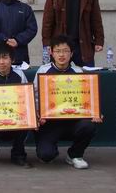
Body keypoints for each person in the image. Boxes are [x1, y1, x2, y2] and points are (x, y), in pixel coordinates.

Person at [33, 35, 101, 169]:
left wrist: (94, 112)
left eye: (65, 51)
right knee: (46, 156)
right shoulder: (43, 71)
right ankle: (50, 150)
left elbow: (86, 97)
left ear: (72, 53)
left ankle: (75, 155)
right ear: (51, 52)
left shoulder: (78, 72)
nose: (61, 55)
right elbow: (35, 96)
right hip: (50, 123)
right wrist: (37, 113)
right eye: (58, 51)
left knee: (89, 125)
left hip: (73, 121)